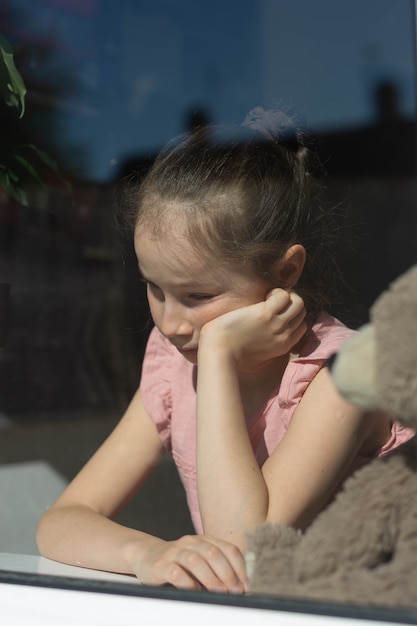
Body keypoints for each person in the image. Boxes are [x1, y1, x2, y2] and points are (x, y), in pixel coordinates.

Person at [36, 106, 413, 594]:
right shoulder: (174, 365)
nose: (170, 323)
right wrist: (147, 553)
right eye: (154, 288)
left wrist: (217, 358)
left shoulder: (340, 377)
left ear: (285, 272)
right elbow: (63, 519)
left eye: (199, 297)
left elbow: (243, 546)